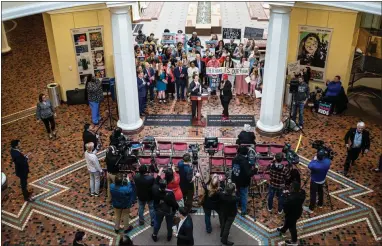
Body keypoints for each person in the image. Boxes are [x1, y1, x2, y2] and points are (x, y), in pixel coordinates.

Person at [152, 172, 179, 242]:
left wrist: (158, 174)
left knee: (157, 222)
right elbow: (174, 203)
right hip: (169, 211)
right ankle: (169, 236)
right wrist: (176, 208)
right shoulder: (170, 193)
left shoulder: (155, 189)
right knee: (169, 223)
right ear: (166, 185)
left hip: (158, 210)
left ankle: (154, 235)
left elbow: (155, 182)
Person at [302, 149, 331, 214]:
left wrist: (314, 159)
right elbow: (328, 158)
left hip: (315, 181)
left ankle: (311, 208)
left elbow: (310, 165)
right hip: (322, 179)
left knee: (313, 194)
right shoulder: (328, 162)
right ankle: (320, 204)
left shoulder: (315, 165)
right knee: (321, 191)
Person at [231, 146, 256, 216]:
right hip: (243, 182)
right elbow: (248, 173)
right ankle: (243, 211)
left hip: (235, 180)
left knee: (236, 195)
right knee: (244, 195)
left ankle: (234, 210)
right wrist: (255, 170)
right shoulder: (245, 161)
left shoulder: (234, 159)